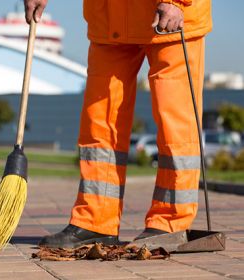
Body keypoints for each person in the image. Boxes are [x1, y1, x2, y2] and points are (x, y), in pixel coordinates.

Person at [24, 0, 212, 248]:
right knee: (99, 122)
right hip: (109, 19)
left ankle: (170, 222)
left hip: (169, 16)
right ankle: (95, 221)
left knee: (175, 124)